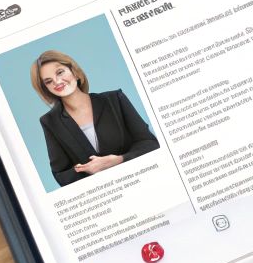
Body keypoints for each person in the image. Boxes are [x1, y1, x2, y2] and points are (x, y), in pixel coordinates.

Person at [30, 50, 160, 187]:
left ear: (74, 72)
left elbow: (150, 142)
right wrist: (85, 170)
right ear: (46, 89)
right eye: (48, 81)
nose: (57, 81)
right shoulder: (50, 122)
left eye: (60, 72)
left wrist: (119, 159)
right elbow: (61, 175)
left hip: (141, 180)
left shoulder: (115, 99)